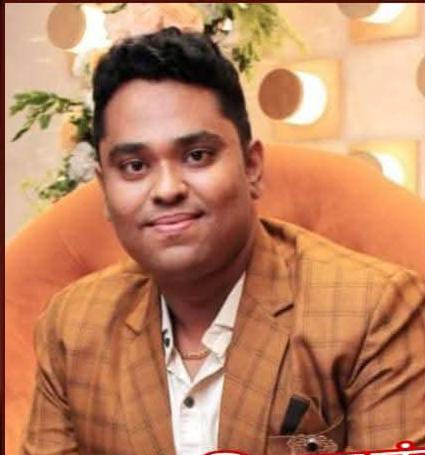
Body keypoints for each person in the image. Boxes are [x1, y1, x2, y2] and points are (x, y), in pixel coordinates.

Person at [21, 27, 425, 455]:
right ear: (104, 189)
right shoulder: (73, 326)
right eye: (135, 166)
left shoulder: (375, 313)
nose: (167, 189)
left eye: (197, 156)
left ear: (252, 167)